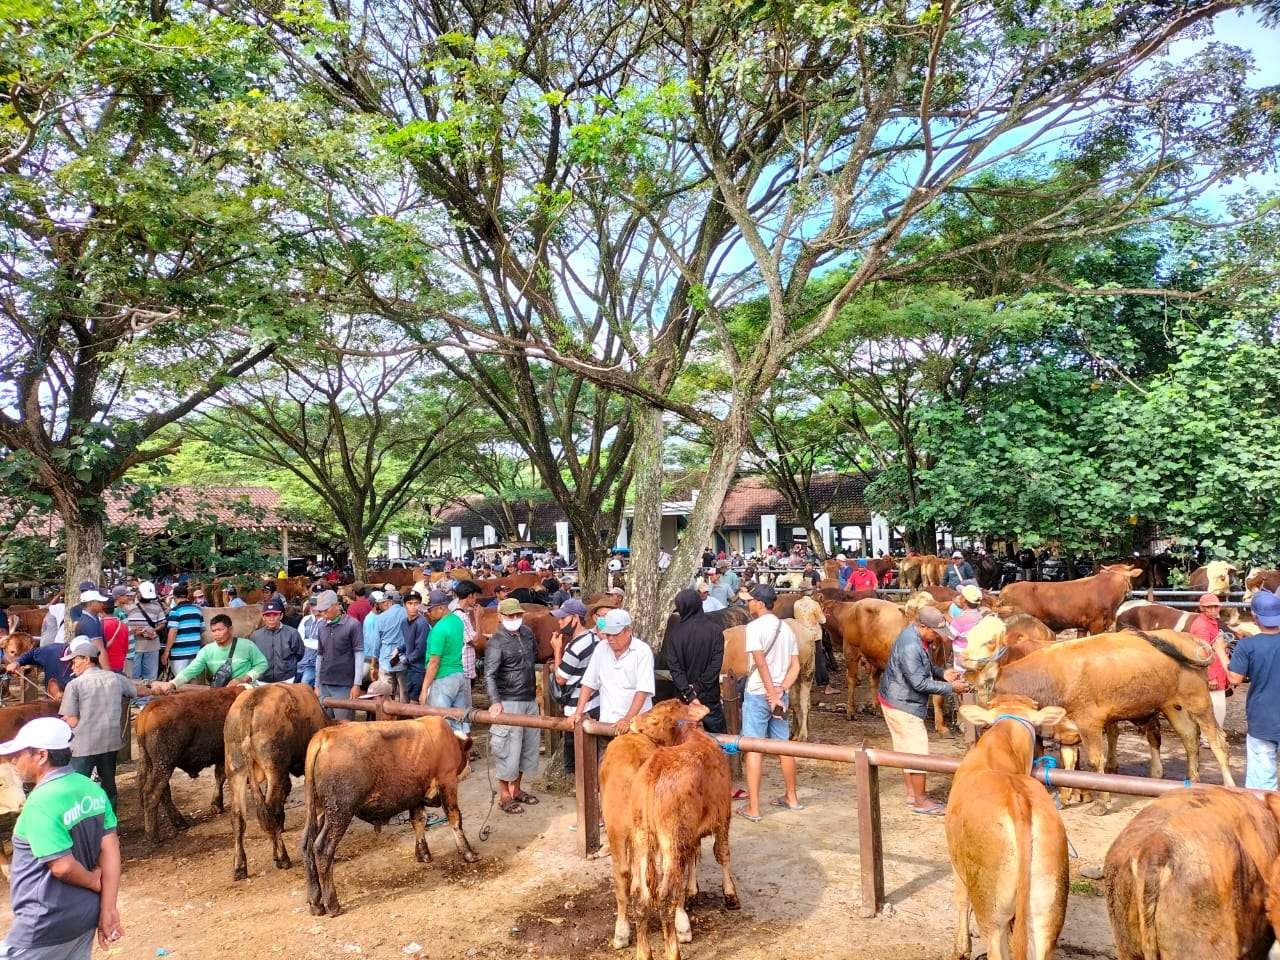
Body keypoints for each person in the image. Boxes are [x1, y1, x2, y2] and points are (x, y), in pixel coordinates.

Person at [0, 717, 123, 959]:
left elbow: (62, 866)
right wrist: (108, 909)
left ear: (42, 756)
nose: (14, 761)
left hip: (44, 922)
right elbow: (111, 850)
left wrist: (92, 881)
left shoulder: (40, 803)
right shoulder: (91, 789)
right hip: (83, 917)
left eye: (20, 753)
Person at [878, 606, 969, 815]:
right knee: (918, 751)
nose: (937, 636)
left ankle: (913, 794)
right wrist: (950, 688)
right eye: (935, 632)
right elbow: (918, 682)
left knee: (905, 750)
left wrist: (942, 673)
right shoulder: (911, 645)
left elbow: (923, 667)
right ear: (922, 626)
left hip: (895, 699)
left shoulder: (917, 637)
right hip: (903, 704)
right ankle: (920, 800)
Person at [736, 584, 801, 822]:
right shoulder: (786, 629)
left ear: (760, 603)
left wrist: (771, 691)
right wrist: (781, 689)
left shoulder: (754, 628)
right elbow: (795, 666)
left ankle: (754, 807)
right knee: (784, 746)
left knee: (753, 748)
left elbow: (760, 662)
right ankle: (792, 796)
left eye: (750, 600)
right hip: (779, 698)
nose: (747, 603)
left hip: (758, 694)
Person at [58, 638, 146, 809]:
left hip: (84, 745)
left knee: (78, 788)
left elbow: (73, 719)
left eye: (75, 660)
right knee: (108, 785)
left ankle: (82, 824)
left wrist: (64, 720)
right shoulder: (115, 678)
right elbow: (136, 691)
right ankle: (109, 821)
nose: (72, 665)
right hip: (110, 743)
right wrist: (156, 687)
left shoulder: (75, 685)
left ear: (86, 659)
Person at [485, 598, 541, 814]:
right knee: (508, 748)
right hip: (509, 700)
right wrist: (495, 701)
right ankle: (504, 794)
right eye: (510, 616)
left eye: (518, 615)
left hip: (528, 698)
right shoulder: (496, 642)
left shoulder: (527, 634)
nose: (515, 619)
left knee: (527, 748)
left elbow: (533, 658)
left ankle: (516, 789)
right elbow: (489, 675)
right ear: (500, 617)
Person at [1227, 589, 1280, 788]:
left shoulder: (1247, 646)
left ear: (1255, 616)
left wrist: (1221, 652)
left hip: (1263, 718)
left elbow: (1234, 678)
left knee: (1262, 782)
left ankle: (1266, 817)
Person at [573, 609, 654, 735]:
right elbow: (588, 683)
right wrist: (578, 712)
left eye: (615, 634)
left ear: (628, 631)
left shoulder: (642, 651)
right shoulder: (601, 648)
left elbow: (642, 690)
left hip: (636, 726)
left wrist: (627, 719)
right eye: (608, 634)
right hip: (607, 723)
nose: (610, 638)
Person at [152, 615, 268, 692]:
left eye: (220, 630)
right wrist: (172, 684)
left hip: (245, 691)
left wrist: (243, 679)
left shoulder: (247, 645)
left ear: (231, 629)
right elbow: (191, 670)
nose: (217, 634)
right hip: (219, 692)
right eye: (214, 631)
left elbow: (262, 664)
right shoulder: (207, 650)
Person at [665, 589, 726, 734]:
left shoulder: (675, 634)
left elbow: (675, 669)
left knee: (684, 739)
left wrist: (689, 693)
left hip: (684, 699)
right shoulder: (715, 630)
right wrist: (699, 688)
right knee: (717, 740)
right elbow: (715, 665)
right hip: (709, 696)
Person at [551, 599, 598, 775]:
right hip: (595, 703)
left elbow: (560, 678)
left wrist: (557, 650)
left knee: (575, 760)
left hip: (576, 707)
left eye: (563, 618)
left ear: (576, 619)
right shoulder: (594, 639)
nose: (559, 622)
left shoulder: (575, 646)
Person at [421, 590, 470, 726]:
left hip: (442, 678)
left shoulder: (439, 629)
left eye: (429, 610)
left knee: (440, 724)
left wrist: (424, 689)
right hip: (459, 674)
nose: (427, 613)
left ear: (441, 608)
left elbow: (434, 662)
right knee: (459, 721)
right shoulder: (457, 621)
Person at [312, 591, 363, 720]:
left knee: (344, 726)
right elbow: (319, 656)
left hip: (344, 685)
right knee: (324, 724)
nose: (323, 614)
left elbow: (359, 654)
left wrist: (357, 684)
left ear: (336, 605)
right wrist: (317, 684)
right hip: (324, 685)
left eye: (325, 610)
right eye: (320, 610)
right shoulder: (321, 627)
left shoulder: (353, 625)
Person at [1188, 592, 1231, 730]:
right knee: (1216, 707)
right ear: (1202, 608)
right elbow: (1203, 653)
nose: (1213, 610)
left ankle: (1210, 735)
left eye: (1215, 607)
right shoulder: (1202, 626)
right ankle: (1210, 737)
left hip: (1216, 671)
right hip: (1213, 675)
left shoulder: (1210, 622)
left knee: (1215, 707)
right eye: (1209, 607)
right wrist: (1211, 677)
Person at [250, 598, 304, 683]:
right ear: (263, 617)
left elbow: (299, 654)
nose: (271, 619)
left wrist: (286, 666)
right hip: (263, 680)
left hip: (286, 679)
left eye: (275, 615)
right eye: (268, 615)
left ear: (281, 616)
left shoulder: (292, 633)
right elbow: (253, 657)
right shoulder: (256, 636)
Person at [368, 591, 407, 700]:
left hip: (386, 660)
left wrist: (373, 664)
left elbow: (376, 643)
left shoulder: (380, 618)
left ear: (389, 602)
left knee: (386, 696)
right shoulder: (408, 614)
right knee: (404, 694)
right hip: (404, 659)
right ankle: (404, 715)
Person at [5, 640, 75, 700]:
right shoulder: (52, 651)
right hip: (53, 700)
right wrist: (18, 662)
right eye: (72, 660)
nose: (73, 666)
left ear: (85, 659)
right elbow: (32, 654)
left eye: (76, 660)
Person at [125, 582, 164, 687]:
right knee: (133, 677)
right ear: (138, 594)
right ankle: (135, 701)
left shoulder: (157, 607)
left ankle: (147, 700)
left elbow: (162, 623)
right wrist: (134, 632)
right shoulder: (128, 608)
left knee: (151, 678)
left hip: (152, 647)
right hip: (134, 648)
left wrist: (154, 630)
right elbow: (123, 627)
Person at [162, 586, 205, 678]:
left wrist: (166, 652)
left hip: (179, 654)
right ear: (187, 595)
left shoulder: (175, 611)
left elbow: (173, 632)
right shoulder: (198, 610)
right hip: (195, 652)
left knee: (180, 681)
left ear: (174, 597)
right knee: (194, 683)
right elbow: (202, 629)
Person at [401, 592, 430, 703]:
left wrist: (406, 659)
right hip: (409, 668)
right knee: (409, 698)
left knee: (415, 701)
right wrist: (400, 649)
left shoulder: (422, 623)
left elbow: (421, 649)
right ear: (404, 605)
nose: (413, 606)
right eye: (410, 603)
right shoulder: (404, 622)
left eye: (416, 603)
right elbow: (409, 642)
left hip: (419, 669)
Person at [296, 597, 321, 688]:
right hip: (302, 660)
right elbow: (299, 639)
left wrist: (306, 642)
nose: (313, 608)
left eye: (316, 605)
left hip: (315, 662)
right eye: (312, 605)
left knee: (304, 683)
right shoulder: (306, 619)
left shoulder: (327, 621)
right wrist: (313, 643)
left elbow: (322, 645)